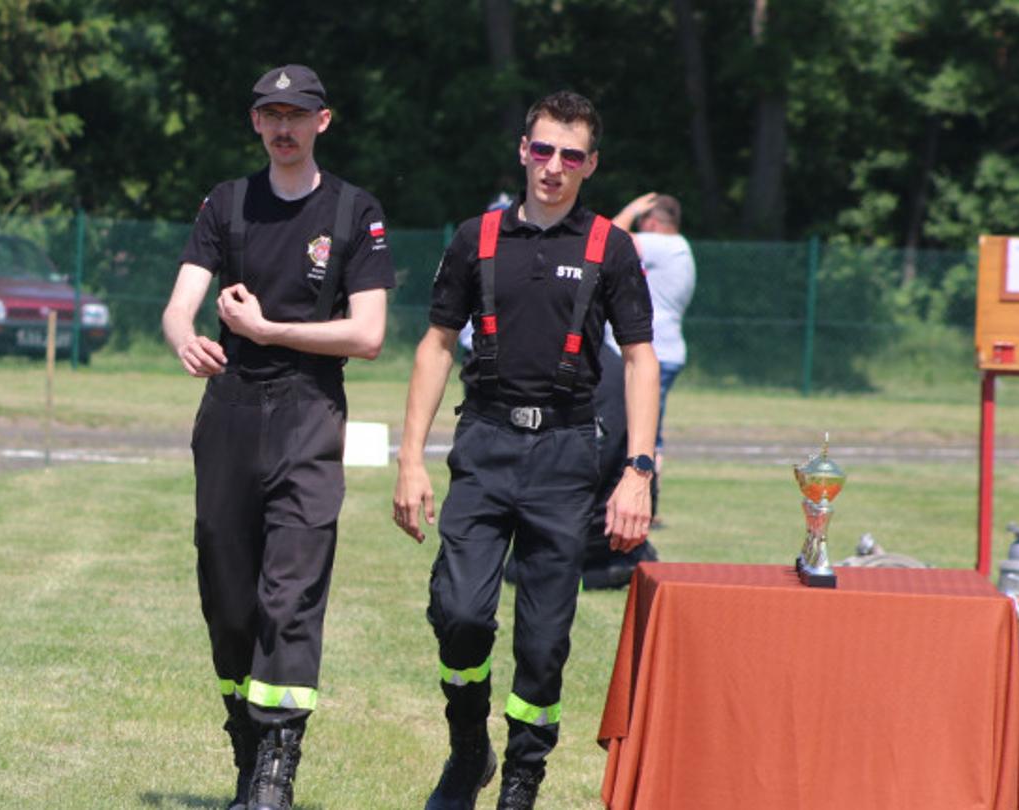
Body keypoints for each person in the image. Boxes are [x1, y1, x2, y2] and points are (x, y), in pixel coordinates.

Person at [392, 90, 656, 809]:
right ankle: (468, 749)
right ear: (523, 150)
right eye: (543, 149)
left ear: (590, 164)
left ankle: (521, 780)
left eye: (571, 155)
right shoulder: (474, 238)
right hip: (484, 443)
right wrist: (410, 459)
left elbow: (640, 360)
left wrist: (638, 471)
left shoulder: (611, 247)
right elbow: (436, 345)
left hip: (569, 455)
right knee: (462, 614)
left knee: (543, 644)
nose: (554, 167)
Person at [161, 64, 394, 810]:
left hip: (308, 411)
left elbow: (369, 334)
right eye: (271, 114)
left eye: (297, 114)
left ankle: (277, 765)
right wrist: (182, 338)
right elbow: (179, 305)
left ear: (323, 121)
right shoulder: (226, 203)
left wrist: (269, 330)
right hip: (228, 412)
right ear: (256, 123)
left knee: (289, 594)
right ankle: (245, 742)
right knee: (228, 599)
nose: (284, 127)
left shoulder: (355, 211)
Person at [614, 192, 695, 512]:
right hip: (666, 349)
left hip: (654, 352)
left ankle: (646, 500)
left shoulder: (666, 245)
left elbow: (609, 239)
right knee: (646, 427)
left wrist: (630, 209)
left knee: (641, 430)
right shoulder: (679, 249)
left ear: (651, 222)